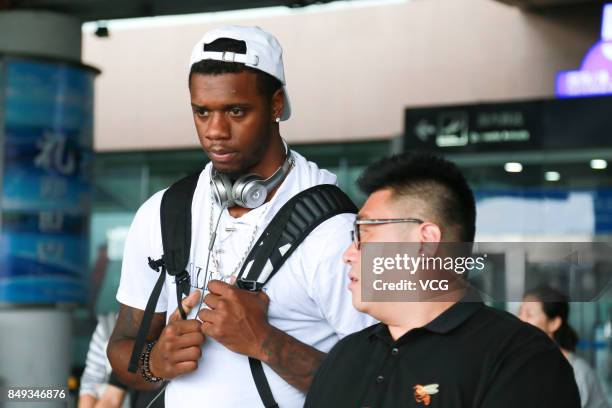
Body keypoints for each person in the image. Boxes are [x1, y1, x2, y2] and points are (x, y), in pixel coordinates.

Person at [107, 25, 374, 407]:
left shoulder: (347, 229)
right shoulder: (162, 213)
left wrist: (264, 340)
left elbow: (390, 382)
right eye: (202, 112)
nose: (215, 131)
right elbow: (121, 350)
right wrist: (156, 362)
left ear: (276, 105)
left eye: (236, 111)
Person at [305, 152, 581, 407]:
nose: (348, 254)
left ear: (424, 242)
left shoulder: (520, 359)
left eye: (363, 233)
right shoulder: (345, 356)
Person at [519, 285, 611, 408]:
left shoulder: (578, 373)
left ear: (554, 323)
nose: (520, 319)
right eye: (520, 312)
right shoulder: (526, 364)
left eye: (529, 315)